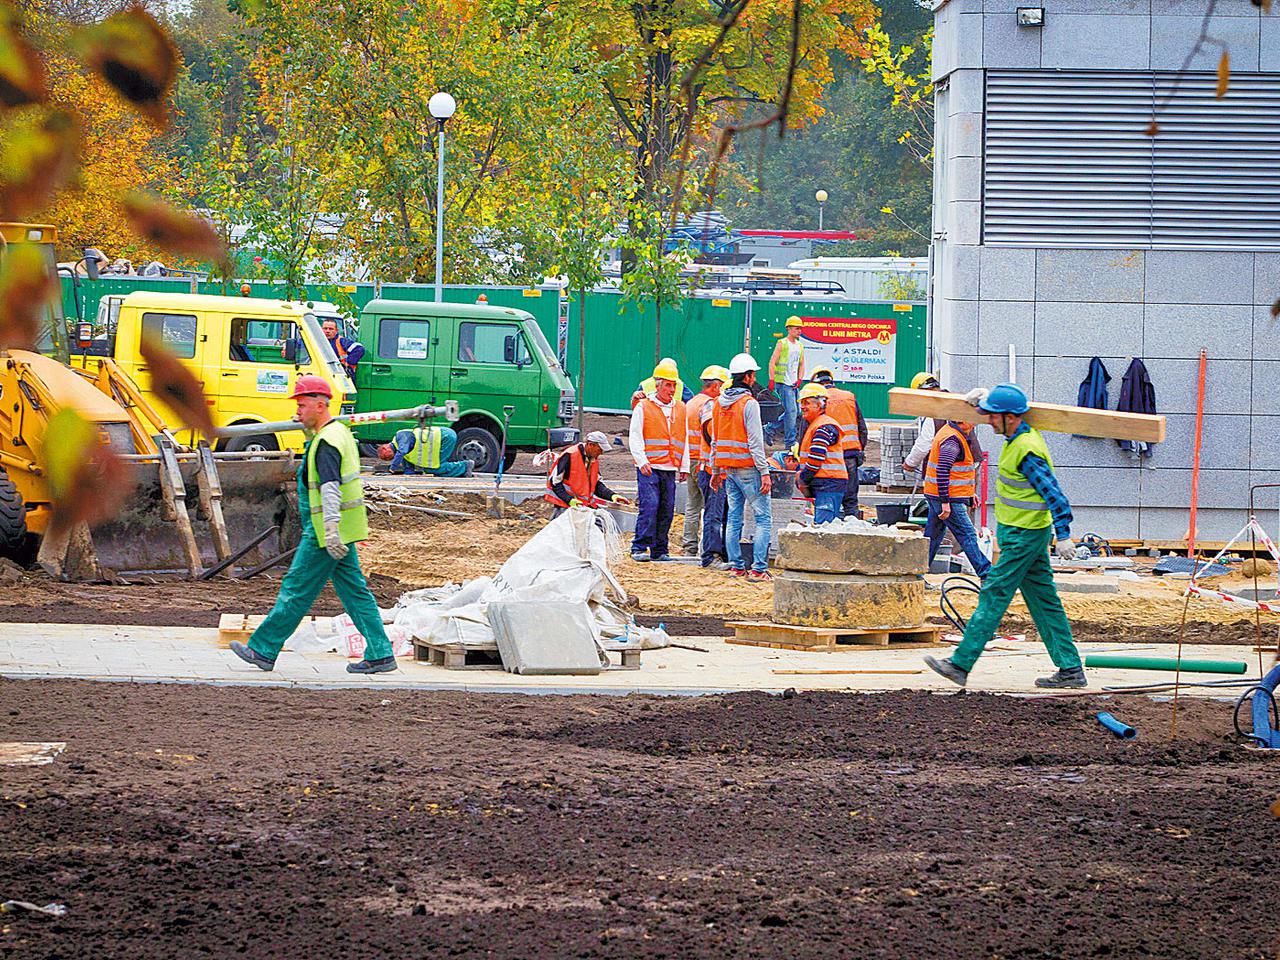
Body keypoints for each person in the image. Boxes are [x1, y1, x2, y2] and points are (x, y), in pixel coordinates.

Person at [230, 375, 397, 675]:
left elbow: (331, 488)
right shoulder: (339, 433)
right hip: (343, 529)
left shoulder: (327, 442)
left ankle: (263, 649)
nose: (297, 412)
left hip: (325, 533)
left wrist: (330, 530)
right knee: (355, 593)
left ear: (321, 405)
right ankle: (381, 653)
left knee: (296, 589)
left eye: (303, 405)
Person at [925, 383, 1085, 690]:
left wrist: (1063, 532)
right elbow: (999, 405)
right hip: (1024, 534)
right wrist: (979, 401)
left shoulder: (1027, 451)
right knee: (1044, 601)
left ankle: (960, 663)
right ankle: (1070, 669)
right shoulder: (1017, 434)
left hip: (1024, 537)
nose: (988, 421)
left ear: (1010, 418)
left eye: (993, 416)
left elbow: (1055, 495)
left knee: (995, 593)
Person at [712, 353, 773, 582]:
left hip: (729, 469)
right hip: (749, 468)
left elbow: (715, 440)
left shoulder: (719, 403)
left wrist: (716, 470)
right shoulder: (749, 404)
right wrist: (765, 472)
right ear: (747, 377)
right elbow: (755, 442)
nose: (755, 378)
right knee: (763, 519)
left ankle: (737, 566)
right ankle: (758, 569)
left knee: (734, 518)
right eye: (753, 374)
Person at [629, 361, 689, 562]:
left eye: (674, 385)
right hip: (649, 466)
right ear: (658, 385)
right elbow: (635, 435)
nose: (672, 390)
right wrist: (641, 460)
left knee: (667, 507)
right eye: (668, 385)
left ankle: (659, 549)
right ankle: (639, 546)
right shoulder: (644, 406)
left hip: (669, 466)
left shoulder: (680, 408)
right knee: (650, 505)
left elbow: (685, 437)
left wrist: (685, 465)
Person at [922, 419, 991, 578]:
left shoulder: (953, 433)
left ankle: (916, 574)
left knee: (932, 538)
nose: (975, 423)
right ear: (962, 421)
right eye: (972, 420)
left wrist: (969, 493)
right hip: (947, 499)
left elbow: (956, 472)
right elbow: (943, 470)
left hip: (940, 496)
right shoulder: (952, 440)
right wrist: (945, 501)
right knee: (967, 535)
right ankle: (988, 575)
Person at [682, 365, 730, 557]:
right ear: (716, 386)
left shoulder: (691, 403)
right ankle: (709, 549)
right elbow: (711, 436)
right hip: (704, 461)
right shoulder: (708, 405)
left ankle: (689, 547)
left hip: (690, 460)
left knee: (692, 505)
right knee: (712, 508)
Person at [809, 366, 867, 519]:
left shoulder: (817, 402)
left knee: (827, 503)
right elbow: (862, 429)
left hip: (829, 461)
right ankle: (852, 531)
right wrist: (859, 452)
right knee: (851, 503)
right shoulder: (849, 396)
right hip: (850, 457)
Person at [795, 383, 846, 525]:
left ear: (819, 405)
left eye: (807, 403)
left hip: (829, 484)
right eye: (802, 403)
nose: (802, 407)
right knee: (824, 526)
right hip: (826, 483)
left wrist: (803, 478)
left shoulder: (824, 426)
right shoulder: (817, 424)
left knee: (824, 529)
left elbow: (816, 457)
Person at [544, 431, 630, 516]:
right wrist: (569, 499)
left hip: (581, 506)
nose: (601, 453)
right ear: (591, 445)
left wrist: (612, 495)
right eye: (600, 449)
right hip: (565, 507)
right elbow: (554, 482)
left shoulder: (593, 459)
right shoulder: (570, 455)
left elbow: (597, 485)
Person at [764, 316, 806, 449]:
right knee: (792, 412)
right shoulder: (782, 343)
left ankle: (769, 429)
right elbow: (772, 361)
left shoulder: (800, 345)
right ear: (789, 329)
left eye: (800, 328)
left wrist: (800, 379)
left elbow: (802, 364)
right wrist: (772, 379)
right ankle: (790, 443)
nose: (799, 331)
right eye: (797, 328)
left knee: (796, 411)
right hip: (784, 383)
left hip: (793, 384)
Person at [377, 425, 470, 478]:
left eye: (385, 457)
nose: (388, 459)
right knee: (431, 469)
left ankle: (465, 466)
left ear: (385, 448)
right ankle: (460, 470)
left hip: (445, 437)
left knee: (435, 468)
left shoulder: (400, 436)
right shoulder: (404, 454)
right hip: (443, 437)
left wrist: (391, 469)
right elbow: (409, 470)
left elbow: (402, 451)